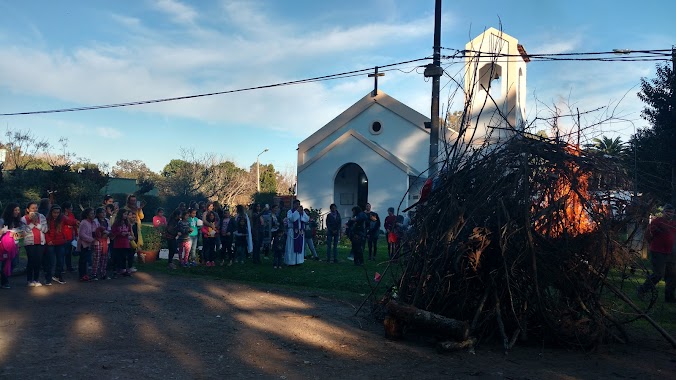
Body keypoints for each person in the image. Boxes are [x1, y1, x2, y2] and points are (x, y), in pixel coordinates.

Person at [638, 204, 676, 302]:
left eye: (671, 212)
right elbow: (647, 234)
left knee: (672, 275)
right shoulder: (657, 222)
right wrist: (652, 244)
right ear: (663, 212)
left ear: (673, 213)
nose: (669, 214)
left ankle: (669, 297)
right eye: (667, 211)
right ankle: (643, 289)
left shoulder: (674, 223)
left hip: (670, 253)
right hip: (658, 251)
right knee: (658, 274)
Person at [22, 201, 48, 287]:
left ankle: (36, 279)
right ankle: (29, 280)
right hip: (29, 243)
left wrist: (37, 223)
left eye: (36, 208)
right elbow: (23, 232)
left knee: (38, 261)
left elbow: (45, 230)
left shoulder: (42, 217)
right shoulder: (23, 219)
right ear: (28, 210)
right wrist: (32, 223)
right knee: (31, 260)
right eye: (33, 208)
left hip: (41, 242)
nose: (35, 210)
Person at [44, 205, 72, 285]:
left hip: (60, 242)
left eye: (57, 213)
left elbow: (70, 221)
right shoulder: (47, 220)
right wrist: (48, 240)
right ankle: (48, 278)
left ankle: (58, 275)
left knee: (60, 260)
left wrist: (76, 222)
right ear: (51, 212)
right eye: (54, 212)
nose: (56, 214)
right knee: (50, 261)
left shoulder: (62, 218)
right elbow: (45, 231)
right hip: (51, 243)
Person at [1, 203, 23, 288]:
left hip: (15, 245)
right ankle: (4, 281)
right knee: (6, 263)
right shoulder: (3, 221)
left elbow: (21, 235)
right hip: (5, 246)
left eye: (18, 210)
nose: (17, 212)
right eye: (15, 210)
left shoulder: (18, 221)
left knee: (14, 262)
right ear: (11, 211)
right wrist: (4, 231)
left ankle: (5, 277)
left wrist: (15, 234)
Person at [284, 200, 309, 266]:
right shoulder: (290, 211)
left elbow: (306, 219)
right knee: (291, 246)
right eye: (297, 204)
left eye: (299, 204)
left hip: (300, 232)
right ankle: (291, 261)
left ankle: (298, 261)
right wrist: (297, 212)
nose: (298, 205)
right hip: (292, 231)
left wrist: (302, 213)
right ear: (294, 204)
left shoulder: (301, 212)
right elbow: (292, 219)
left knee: (300, 245)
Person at [110, 208, 133, 277]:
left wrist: (128, 234)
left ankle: (123, 269)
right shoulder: (116, 223)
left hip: (125, 242)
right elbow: (113, 232)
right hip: (118, 242)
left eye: (126, 214)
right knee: (118, 257)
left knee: (124, 257)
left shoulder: (127, 223)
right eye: (125, 214)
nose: (126, 216)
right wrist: (120, 233)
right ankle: (116, 269)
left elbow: (129, 230)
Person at [77, 208, 96, 282]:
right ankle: (82, 275)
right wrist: (91, 239)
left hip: (89, 244)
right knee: (83, 260)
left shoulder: (92, 222)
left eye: (93, 213)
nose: (93, 215)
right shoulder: (84, 222)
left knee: (86, 260)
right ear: (87, 215)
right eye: (91, 213)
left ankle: (85, 274)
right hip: (83, 244)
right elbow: (81, 234)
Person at [92, 207, 110, 280]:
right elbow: (94, 230)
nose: (104, 214)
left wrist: (107, 233)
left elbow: (109, 229)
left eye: (104, 212)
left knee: (104, 257)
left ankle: (103, 273)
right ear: (98, 214)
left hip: (106, 240)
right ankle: (94, 273)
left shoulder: (107, 221)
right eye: (102, 212)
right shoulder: (95, 221)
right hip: (98, 241)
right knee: (97, 257)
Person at [62, 202, 79, 273]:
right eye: (70, 207)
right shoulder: (61, 216)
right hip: (63, 236)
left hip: (70, 235)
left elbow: (74, 224)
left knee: (68, 252)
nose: (72, 209)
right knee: (63, 252)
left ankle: (69, 266)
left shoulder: (71, 215)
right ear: (66, 209)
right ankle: (61, 267)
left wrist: (76, 234)